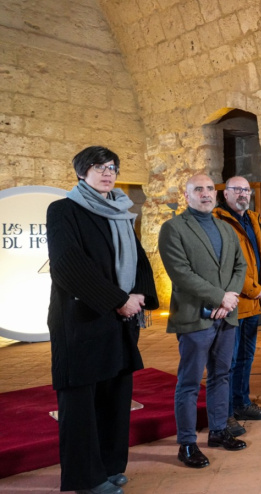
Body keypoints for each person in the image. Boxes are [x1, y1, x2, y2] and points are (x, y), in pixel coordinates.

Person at [46, 146, 158, 494]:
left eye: (112, 167)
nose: (108, 172)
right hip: (82, 320)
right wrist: (117, 300)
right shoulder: (64, 210)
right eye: (99, 167)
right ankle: (87, 478)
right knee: (81, 402)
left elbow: (139, 260)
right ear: (82, 172)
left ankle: (109, 466)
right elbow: (68, 265)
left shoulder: (121, 211)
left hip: (119, 320)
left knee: (115, 395)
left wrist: (138, 297)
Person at [158, 173, 247, 469]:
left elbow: (240, 264)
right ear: (187, 196)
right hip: (195, 317)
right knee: (189, 382)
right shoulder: (173, 228)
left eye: (210, 188)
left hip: (226, 315)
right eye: (199, 189)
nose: (206, 193)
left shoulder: (225, 227)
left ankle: (219, 431)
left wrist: (230, 296)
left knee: (222, 375)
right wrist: (220, 297)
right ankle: (186, 444)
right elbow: (181, 273)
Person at [213, 176, 261, 435]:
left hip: (255, 303)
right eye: (237, 189)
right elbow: (225, 265)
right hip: (235, 303)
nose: (243, 194)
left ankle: (242, 403)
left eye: (246, 190)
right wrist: (253, 289)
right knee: (226, 362)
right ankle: (225, 414)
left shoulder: (253, 218)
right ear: (225, 194)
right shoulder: (218, 221)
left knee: (245, 358)